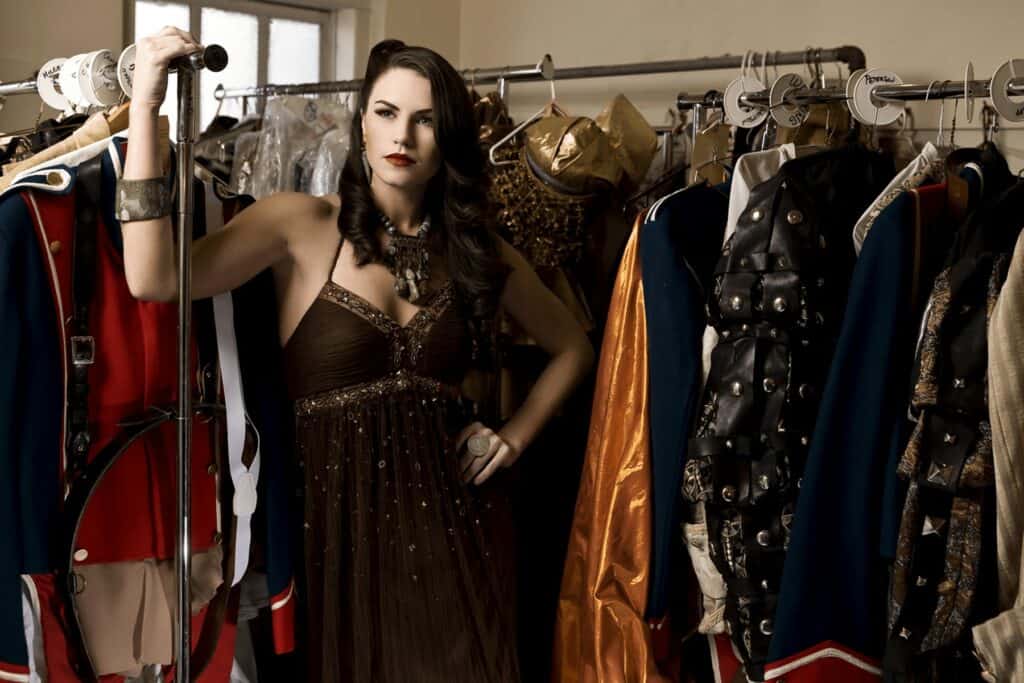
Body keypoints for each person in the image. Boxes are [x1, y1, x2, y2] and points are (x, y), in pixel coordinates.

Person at [121, 27, 594, 683]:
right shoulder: (300, 224)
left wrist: (511, 439)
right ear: (362, 126)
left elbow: (574, 345)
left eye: (426, 120)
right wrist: (146, 107)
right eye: (387, 113)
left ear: (448, 137)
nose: (403, 136)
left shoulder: (475, 249)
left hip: (458, 536)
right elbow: (152, 278)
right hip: (329, 544)